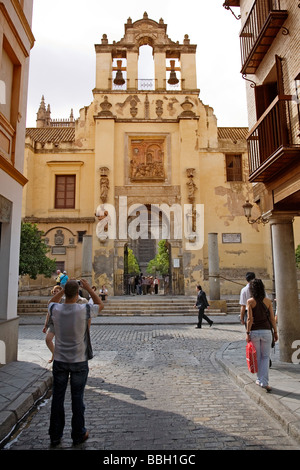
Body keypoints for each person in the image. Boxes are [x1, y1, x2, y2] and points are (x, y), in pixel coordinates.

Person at [46, 279, 104, 446]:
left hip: (60, 360)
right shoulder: (83, 309)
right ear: (78, 293)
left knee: (57, 398)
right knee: (77, 399)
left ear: (65, 292)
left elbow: (50, 302)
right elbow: (100, 304)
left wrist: (63, 290)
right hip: (79, 360)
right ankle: (78, 434)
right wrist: (87, 288)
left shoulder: (56, 309)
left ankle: (55, 435)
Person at [246, 279, 278, 392]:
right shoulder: (268, 301)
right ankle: (264, 381)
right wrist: (275, 331)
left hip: (254, 332)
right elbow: (272, 319)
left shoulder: (250, 302)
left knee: (258, 357)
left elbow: (249, 319)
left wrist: (247, 333)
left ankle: (259, 379)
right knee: (265, 357)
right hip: (266, 331)